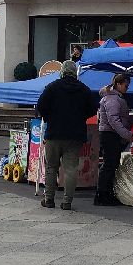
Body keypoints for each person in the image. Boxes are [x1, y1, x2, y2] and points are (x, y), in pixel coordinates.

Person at [34, 59, 98, 210]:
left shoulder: (52, 87)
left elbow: (40, 106)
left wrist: (50, 117)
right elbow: (93, 109)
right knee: (71, 169)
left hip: (54, 133)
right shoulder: (84, 89)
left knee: (51, 167)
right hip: (75, 135)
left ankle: (49, 199)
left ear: (62, 71)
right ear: (75, 72)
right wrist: (80, 117)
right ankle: (67, 201)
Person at [94, 72, 133, 206]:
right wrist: (127, 134)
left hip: (110, 134)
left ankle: (105, 193)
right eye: (126, 86)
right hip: (110, 134)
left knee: (111, 164)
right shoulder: (112, 98)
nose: (127, 89)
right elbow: (113, 120)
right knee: (109, 164)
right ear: (118, 84)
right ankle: (102, 194)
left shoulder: (113, 97)